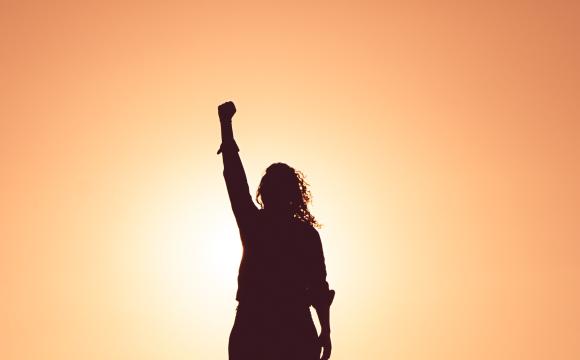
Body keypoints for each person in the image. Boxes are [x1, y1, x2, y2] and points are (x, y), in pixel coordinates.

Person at [216, 101, 335, 360]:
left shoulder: (258, 225)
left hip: (269, 327)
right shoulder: (300, 234)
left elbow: (318, 287)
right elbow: (319, 289)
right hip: (276, 326)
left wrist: (226, 126)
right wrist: (325, 330)